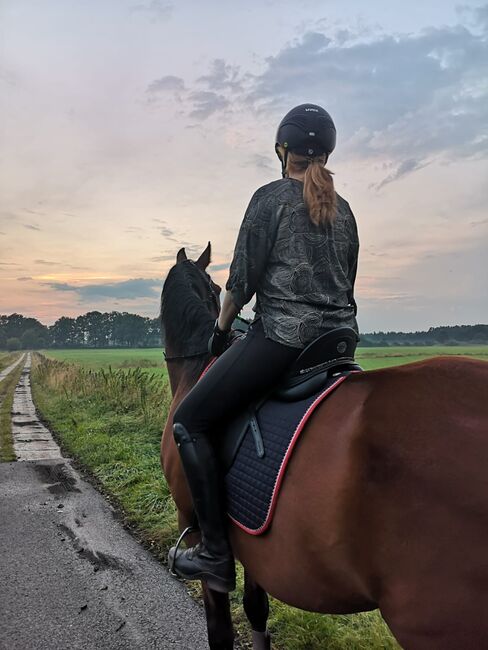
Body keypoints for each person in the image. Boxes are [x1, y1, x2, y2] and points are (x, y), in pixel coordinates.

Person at [168, 103, 360, 593]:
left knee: (190, 420)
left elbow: (240, 283)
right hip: (338, 342)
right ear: (326, 152)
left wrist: (220, 329)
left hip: (284, 341)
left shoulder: (271, 198)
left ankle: (213, 554)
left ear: (282, 150)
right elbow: (345, 282)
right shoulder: (345, 210)